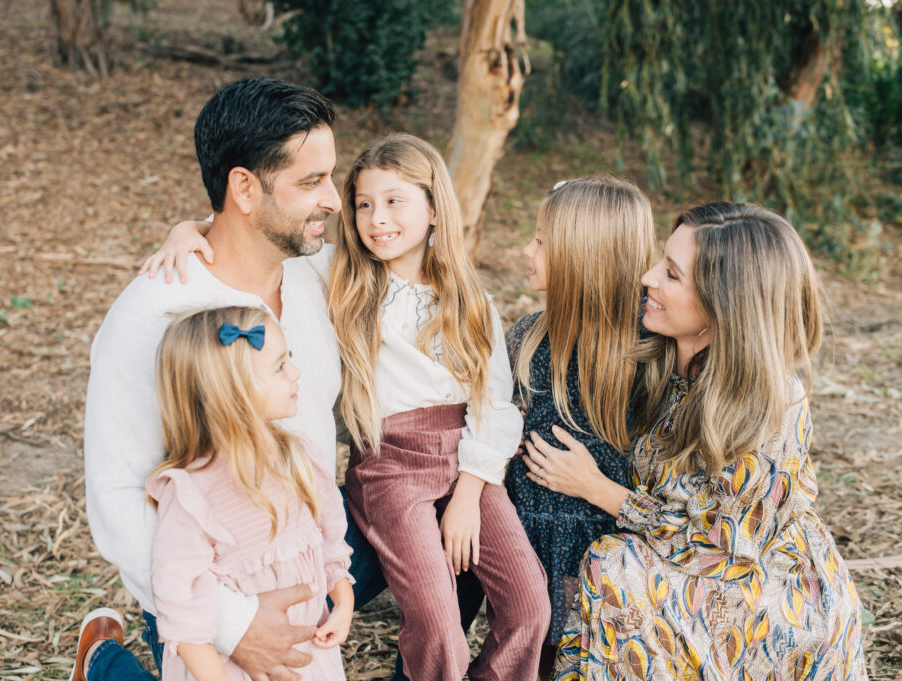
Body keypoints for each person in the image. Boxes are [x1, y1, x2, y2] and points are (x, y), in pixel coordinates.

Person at [73, 77, 354, 681]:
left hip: (305, 557)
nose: (334, 200)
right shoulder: (152, 317)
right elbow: (118, 500)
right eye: (311, 182)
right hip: (206, 596)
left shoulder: (313, 273)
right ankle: (104, 666)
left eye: (330, 177)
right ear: (244, 189)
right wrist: (235, 623)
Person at [522, 203, 868, 680]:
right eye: (659, 262)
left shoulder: (769, 404)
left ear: (723, 303)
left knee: (615, 566)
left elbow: (720, 546)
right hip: (676, 562)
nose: (646, 277)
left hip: (760, 591)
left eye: (671, 274)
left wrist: (595, 487)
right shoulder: (661, 355)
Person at [331, 133, 549, 680]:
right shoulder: (340, 280)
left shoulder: (470, 301)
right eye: (363, 203)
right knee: (438, 621)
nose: (376, 218)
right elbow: (262, 256)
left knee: (529, 606)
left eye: (394, 201)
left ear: (433, 208)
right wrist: (190, 232)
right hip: (389, 462)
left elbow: (494, 404)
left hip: (467, 461)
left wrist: (469, 495)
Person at [147, 306, 353, 681]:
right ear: (234, 393)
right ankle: (103, 661)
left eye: (288, 359)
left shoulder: (299, 457)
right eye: (279, 367)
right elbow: (183, 614)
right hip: (230, 668)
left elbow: (330, 543)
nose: (296, 372)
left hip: (307, 655)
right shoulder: (192, 495)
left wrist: (342, 603)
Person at [502, 177, 655, 673]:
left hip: (608, 568)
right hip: (526, 552)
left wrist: (592, 485)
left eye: (542, 241)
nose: (527, 249)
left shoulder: (649, 357)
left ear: (582, 257)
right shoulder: (528, 337)